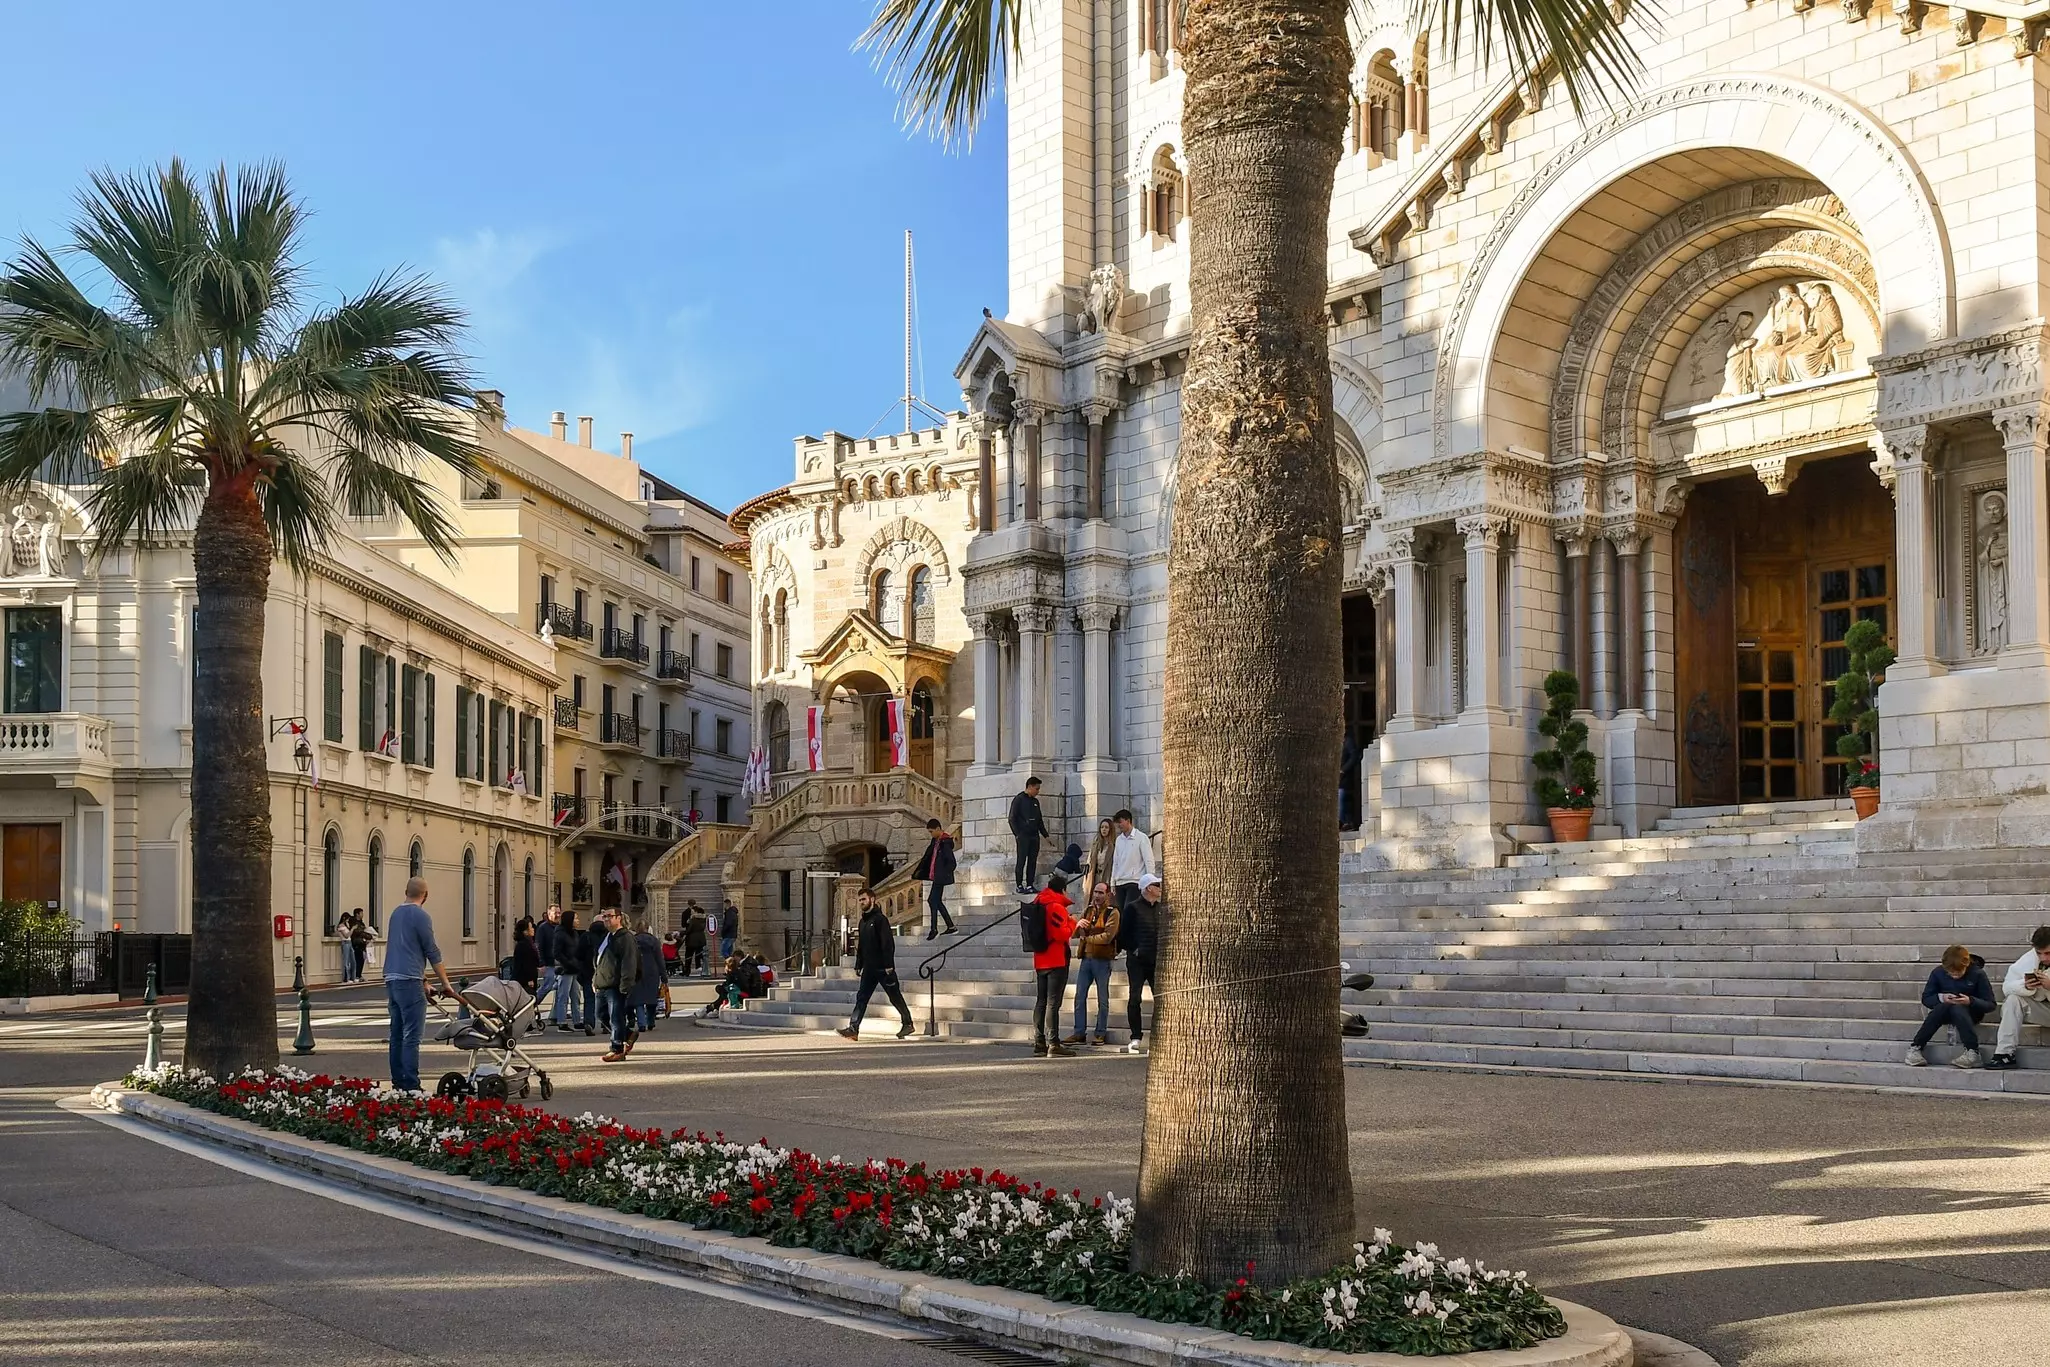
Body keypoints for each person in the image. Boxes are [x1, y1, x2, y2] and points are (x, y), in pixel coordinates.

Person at [382, 878, 457, 1092]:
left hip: (392, 977)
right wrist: (446, 984)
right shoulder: (421, 916)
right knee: (412, 1035)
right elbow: (430, 951)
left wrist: (424, 980)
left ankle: (398, 1081)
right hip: (409, 979)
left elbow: (404, 949)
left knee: (396, 1032)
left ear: (405, 891)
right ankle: (411, 1084)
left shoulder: (396, 913)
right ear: (426, 895)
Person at [837, 886, 917, 1040]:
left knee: (895, 996)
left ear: (872, 899)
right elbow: (862, 946)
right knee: (862, 998)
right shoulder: (862, 922)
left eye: (864, 899)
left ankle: (908, 1023)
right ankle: (854, 1028)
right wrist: (858, 964)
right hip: (869, 968)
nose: (861, 902)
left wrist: (888, 965)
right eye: (860, 900)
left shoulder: (880, 920)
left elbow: (887, 943)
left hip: (883, 968)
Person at [1907, 943, 1996, 1068]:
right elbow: (1926, 998)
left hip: (1970, 1013)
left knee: (1957, 1007)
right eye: (1951, 973)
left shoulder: (1978, 974)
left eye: (1958, 973)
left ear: (1966, 965)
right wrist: (1942, 997)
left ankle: (1972, 1051)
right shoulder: (1937, 973)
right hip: (1944, 1011)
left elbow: (1990, 1004)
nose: (1954, 976)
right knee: (1943, 1006)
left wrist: (1970, 1000)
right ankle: (1916, 1047)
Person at [1064, 882, 1120, 1046]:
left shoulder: (1113, 912)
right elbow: (1074, 933)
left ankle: (1100, 1032)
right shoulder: (1088, 910)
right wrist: (1078, 925)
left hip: (1102, 960)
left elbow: (1108, 936)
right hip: (1086, 958)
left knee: (1102, 998)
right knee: (1079, 996)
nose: (1097, 896)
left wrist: (1087, 938)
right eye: (1095, 892)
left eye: (1101, 893)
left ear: (1108, 895)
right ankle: (1079, 1032)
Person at [1988, 925, 2050, 1069]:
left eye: (2048, 953)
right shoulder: (2029, 958)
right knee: (2013, 1000)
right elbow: (2007, 987)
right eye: (2039, 953)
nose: (2043, 958)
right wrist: (2026, 986)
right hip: (2044, 1011)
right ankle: (2005, 1054)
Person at [1029, 873, 1078, 1057]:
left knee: (1041, 1001)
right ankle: (1053, 1042)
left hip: (1040, 958)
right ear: (1062, 889)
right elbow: (1061, 934)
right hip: (1056, 958)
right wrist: (1072, 923)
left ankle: (1039, 1041)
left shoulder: (1039, 902)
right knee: (1052, 1003)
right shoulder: (1055, 906)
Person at [592, 907, 642, 1062]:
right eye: (604, 916)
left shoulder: (625, 937)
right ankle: (627, 1034)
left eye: (610, 916)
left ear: (618, 918)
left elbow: (629, 963)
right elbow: (600, 960)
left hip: (615, 984)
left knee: (616, 1017)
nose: (606, 919)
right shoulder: (608, 936)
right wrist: (595, 979)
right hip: (602, 983)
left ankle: (617, 1048)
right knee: (601, 1014)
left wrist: (625, 985)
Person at [1124, 875, 1163, 1055]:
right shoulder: (1133, 908)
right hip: (1137, 962)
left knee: (1161, 998)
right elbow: (1124, 933)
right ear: (1148, 888)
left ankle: (1158, 1037)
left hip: (1156, 960)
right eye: (1156, 885)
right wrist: (1135, 949)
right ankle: (1136, 1037)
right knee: (1135, 998)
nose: (1160, 887)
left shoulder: (1160, 909)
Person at [1108, 809, 1154, 938]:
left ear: (1128, 821)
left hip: (1135, 881)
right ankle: (1123, 942)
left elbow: (1148, 861)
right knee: (1120, 914)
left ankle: (1131, 940)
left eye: (1121, 822)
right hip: (1120, 881)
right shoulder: (1119, 840)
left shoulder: (1141, 838)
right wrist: (1113, 882)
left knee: (1130, 912)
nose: (1119, 826)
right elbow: (1115, 862)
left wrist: (1149, 881)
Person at [915, 818, 958, 939]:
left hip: (940, 877)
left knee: (932, 900)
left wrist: (944, 874)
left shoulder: (945, 843)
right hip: (936, 876)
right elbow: (928, 856)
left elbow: (951, 862)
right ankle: (950, 926)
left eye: (931, 831)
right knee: (935, 900)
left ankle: (934, 929)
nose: (931, 834)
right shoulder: (936, 841)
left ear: (938, 829)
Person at [1009, 776, 1048, 893]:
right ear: (1030, 787)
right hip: (1023, 836)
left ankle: (1030, 884)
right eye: (1036, 789)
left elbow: (1039, 820)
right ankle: (1019, 884)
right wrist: (1017, 834)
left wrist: (1045, 835)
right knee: (1021, 860)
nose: (1038, 791)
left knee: (1032, 861)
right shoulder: (1019, 799)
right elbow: (1012, 818)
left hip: (1034, 836)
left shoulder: (1035, 802)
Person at [552, 908, 588, 1032]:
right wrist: (567, 963)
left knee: (576, 996)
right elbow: (557, 952)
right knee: (563, 996)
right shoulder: (560, 933)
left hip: (575, 968)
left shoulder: (574, 933)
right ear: (569, 920)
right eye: (576, 918)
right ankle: (561, 1022)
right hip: (565, 969)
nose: (578, 921)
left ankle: (577, 1020)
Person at [632, 918, 666, 1032]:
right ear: (648, 928)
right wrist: (663, 975)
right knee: (651, 998)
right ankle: (650, 1021)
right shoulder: (654, 941)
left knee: (639, 998)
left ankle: (641, 1023)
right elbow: (659, 959)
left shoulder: (633, 940)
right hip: (652, 971)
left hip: (636, 970)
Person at [535, 904, 563, 1016]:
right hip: (549, 963)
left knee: (561, 989)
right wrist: (541, 963)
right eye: (555, 912)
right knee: (547, 986)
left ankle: (556, 1014)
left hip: (561, 963)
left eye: (559, 913)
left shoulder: (561, 927)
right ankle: (531, 1005)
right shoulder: (543, 928)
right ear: (548, 913)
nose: (557, 915)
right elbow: (538, 946)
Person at [1084, 818, 1116, 898]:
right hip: (1095, 876)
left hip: (1107, 876)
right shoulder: (1095, 845)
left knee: (1105, 899)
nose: (1104, 829)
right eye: (1102, 827)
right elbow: (1089, 862)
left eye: (1106, 827)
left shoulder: (1113, 846)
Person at [509, 919, 541, 996]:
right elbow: (526, 963)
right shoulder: (524, 945)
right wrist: (529, 979)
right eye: (531, 927)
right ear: (525, 931)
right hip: (524, 980)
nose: (533, 929)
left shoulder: (528, 943)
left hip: (528, 977)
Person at [1339, 729, 1362, 832]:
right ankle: (1345, 823)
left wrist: (1343, 770)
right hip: (1335, 778)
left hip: (1344, 778)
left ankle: (1347, 823)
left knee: (1342, 800)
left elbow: (1354, 756)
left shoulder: (1347, 741)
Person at [348, 908, 374, 984]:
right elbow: (359, 932)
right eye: (361, 913)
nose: (362, 915)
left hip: (362, 943)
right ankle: (356, 975)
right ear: (357, 914)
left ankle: (359, 975)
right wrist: (369, 936)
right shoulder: (354, 923)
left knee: (361, 960)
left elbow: (364, 931)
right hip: (356, 943)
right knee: (357, 960)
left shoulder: (361, 923)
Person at [684, 901, 709, 976]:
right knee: (699, 955)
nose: (691, 912)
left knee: (688, 956)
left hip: (692, 940)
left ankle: (687, 971)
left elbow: (689, 930)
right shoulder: (703, 919)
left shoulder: (693, 920)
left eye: (692, 911)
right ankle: (701, 969)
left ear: (695, 912)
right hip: (701, 939)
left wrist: (682, 932)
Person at [337, 910, 360, 983]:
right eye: (347, 919)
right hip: (345, 943)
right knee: (346, 961)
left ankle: (353, 977)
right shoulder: (341, 926)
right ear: (344, 918)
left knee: (353, 961)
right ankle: (346, 978)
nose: (348, 920)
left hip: (349, 943)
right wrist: (352, 929)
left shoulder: (346, 926)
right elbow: (346, 936)